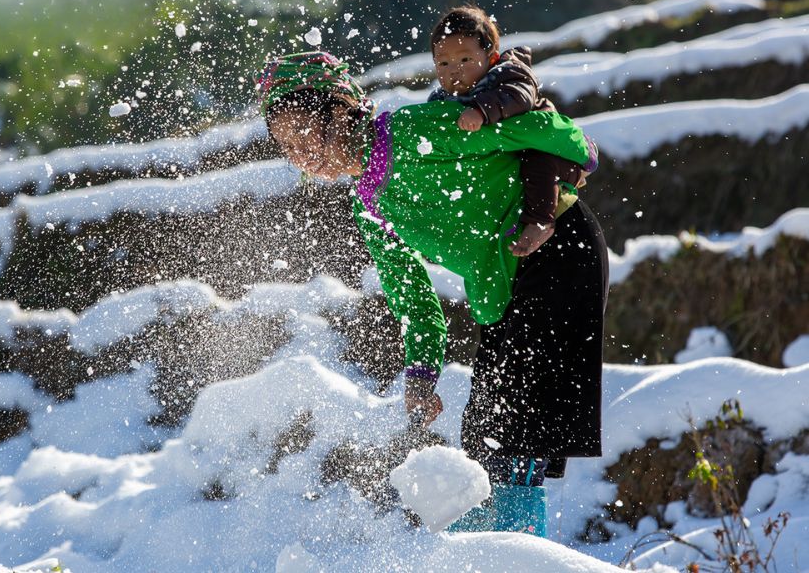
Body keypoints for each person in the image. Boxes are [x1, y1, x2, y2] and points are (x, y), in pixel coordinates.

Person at [255, 51, 608, 538]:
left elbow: (544, 128)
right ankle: (506, 551)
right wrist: (420, 376)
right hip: (506, 278)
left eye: (301, 134)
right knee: (489, 434)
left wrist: (571, 166)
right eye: (285, 145)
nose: (299, 154)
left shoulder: (413, 129)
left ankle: (516, 556)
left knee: (511, 430)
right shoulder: (370, 209)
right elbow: (417, 306)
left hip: (556, 248)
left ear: (338, 111)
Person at [428, 5, 592, 257]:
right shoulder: (442, 100)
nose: (454, 70)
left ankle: (540, 222)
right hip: (513, 168)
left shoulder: (507, 75)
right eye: (443, 63)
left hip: (556, 157)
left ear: (490, 58)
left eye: (465, 59)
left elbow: (520, 96)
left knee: (535, 161)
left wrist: (482, 110)